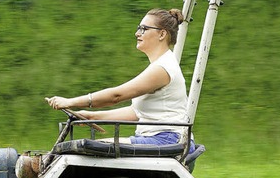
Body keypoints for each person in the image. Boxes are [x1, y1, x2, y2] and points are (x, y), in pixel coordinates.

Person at [46, 8, 194, 149]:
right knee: (91, 147)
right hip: (163, 138)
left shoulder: (162, 68)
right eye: (138, 28)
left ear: (162, 34)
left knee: (90, 148)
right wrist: (92, 116)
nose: (137, 33)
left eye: (144, 29)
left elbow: (116, 96)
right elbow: (136, 112)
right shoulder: (161, 64)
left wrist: (70, 102)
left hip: (167, 139)